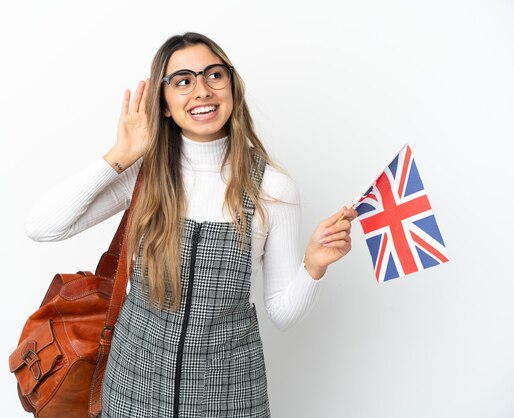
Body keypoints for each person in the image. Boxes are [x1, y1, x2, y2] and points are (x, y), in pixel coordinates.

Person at [25, 32, 358, 418]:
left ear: (231, 87)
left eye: (213, 75)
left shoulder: (273, 189)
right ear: (164, 104)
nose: (201, 90)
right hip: (133, 388)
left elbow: (283, 314)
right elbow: (42, 226)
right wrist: (122, 154)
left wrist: (314, 265)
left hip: (230, 396)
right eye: (183, 81)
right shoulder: (144, 174)